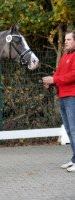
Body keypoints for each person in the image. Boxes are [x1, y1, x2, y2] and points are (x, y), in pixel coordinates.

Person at [42, 30, 75, 172]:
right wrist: (51, 81)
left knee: (74, 130)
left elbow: (72, 75)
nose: (66, 42)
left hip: (72, 97)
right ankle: (74, 159)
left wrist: (54, 79)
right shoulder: (65, 56)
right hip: (62, 96)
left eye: (69, 39)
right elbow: (59, 73)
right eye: (65, 39)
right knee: (68, 130)